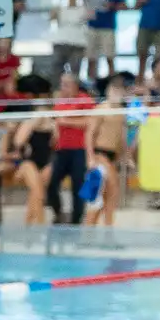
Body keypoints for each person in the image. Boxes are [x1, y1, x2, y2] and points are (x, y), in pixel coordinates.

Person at [47, 72, 98, 223]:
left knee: (77, 186)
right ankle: (58, 212)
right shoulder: (60, 102)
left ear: (75, 85)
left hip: (79, 150)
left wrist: (67, 121)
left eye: (66, 84)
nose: (63, 88)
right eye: (62, 84)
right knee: (52, 183)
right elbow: (56, 123)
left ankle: (76, 221)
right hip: (62, 150)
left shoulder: (85, 100)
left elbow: (90, 122)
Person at [7, 111, 55, 226]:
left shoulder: (53, 125)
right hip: (27, 163)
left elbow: (57, 145)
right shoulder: (28, 124)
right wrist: (34, 123)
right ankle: (40, 226)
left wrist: (52, 125)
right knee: (38, 191)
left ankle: (28, 225)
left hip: (46, 164)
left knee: (37, 194)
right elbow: (18, 142)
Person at [83, 0, 127, 81]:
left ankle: (112, 81)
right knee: (91, 57)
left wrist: (111, 5)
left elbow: (123, 5)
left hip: (108, 26)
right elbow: (87, 6)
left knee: (109, 56)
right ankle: (91, 82)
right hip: (92, 26)